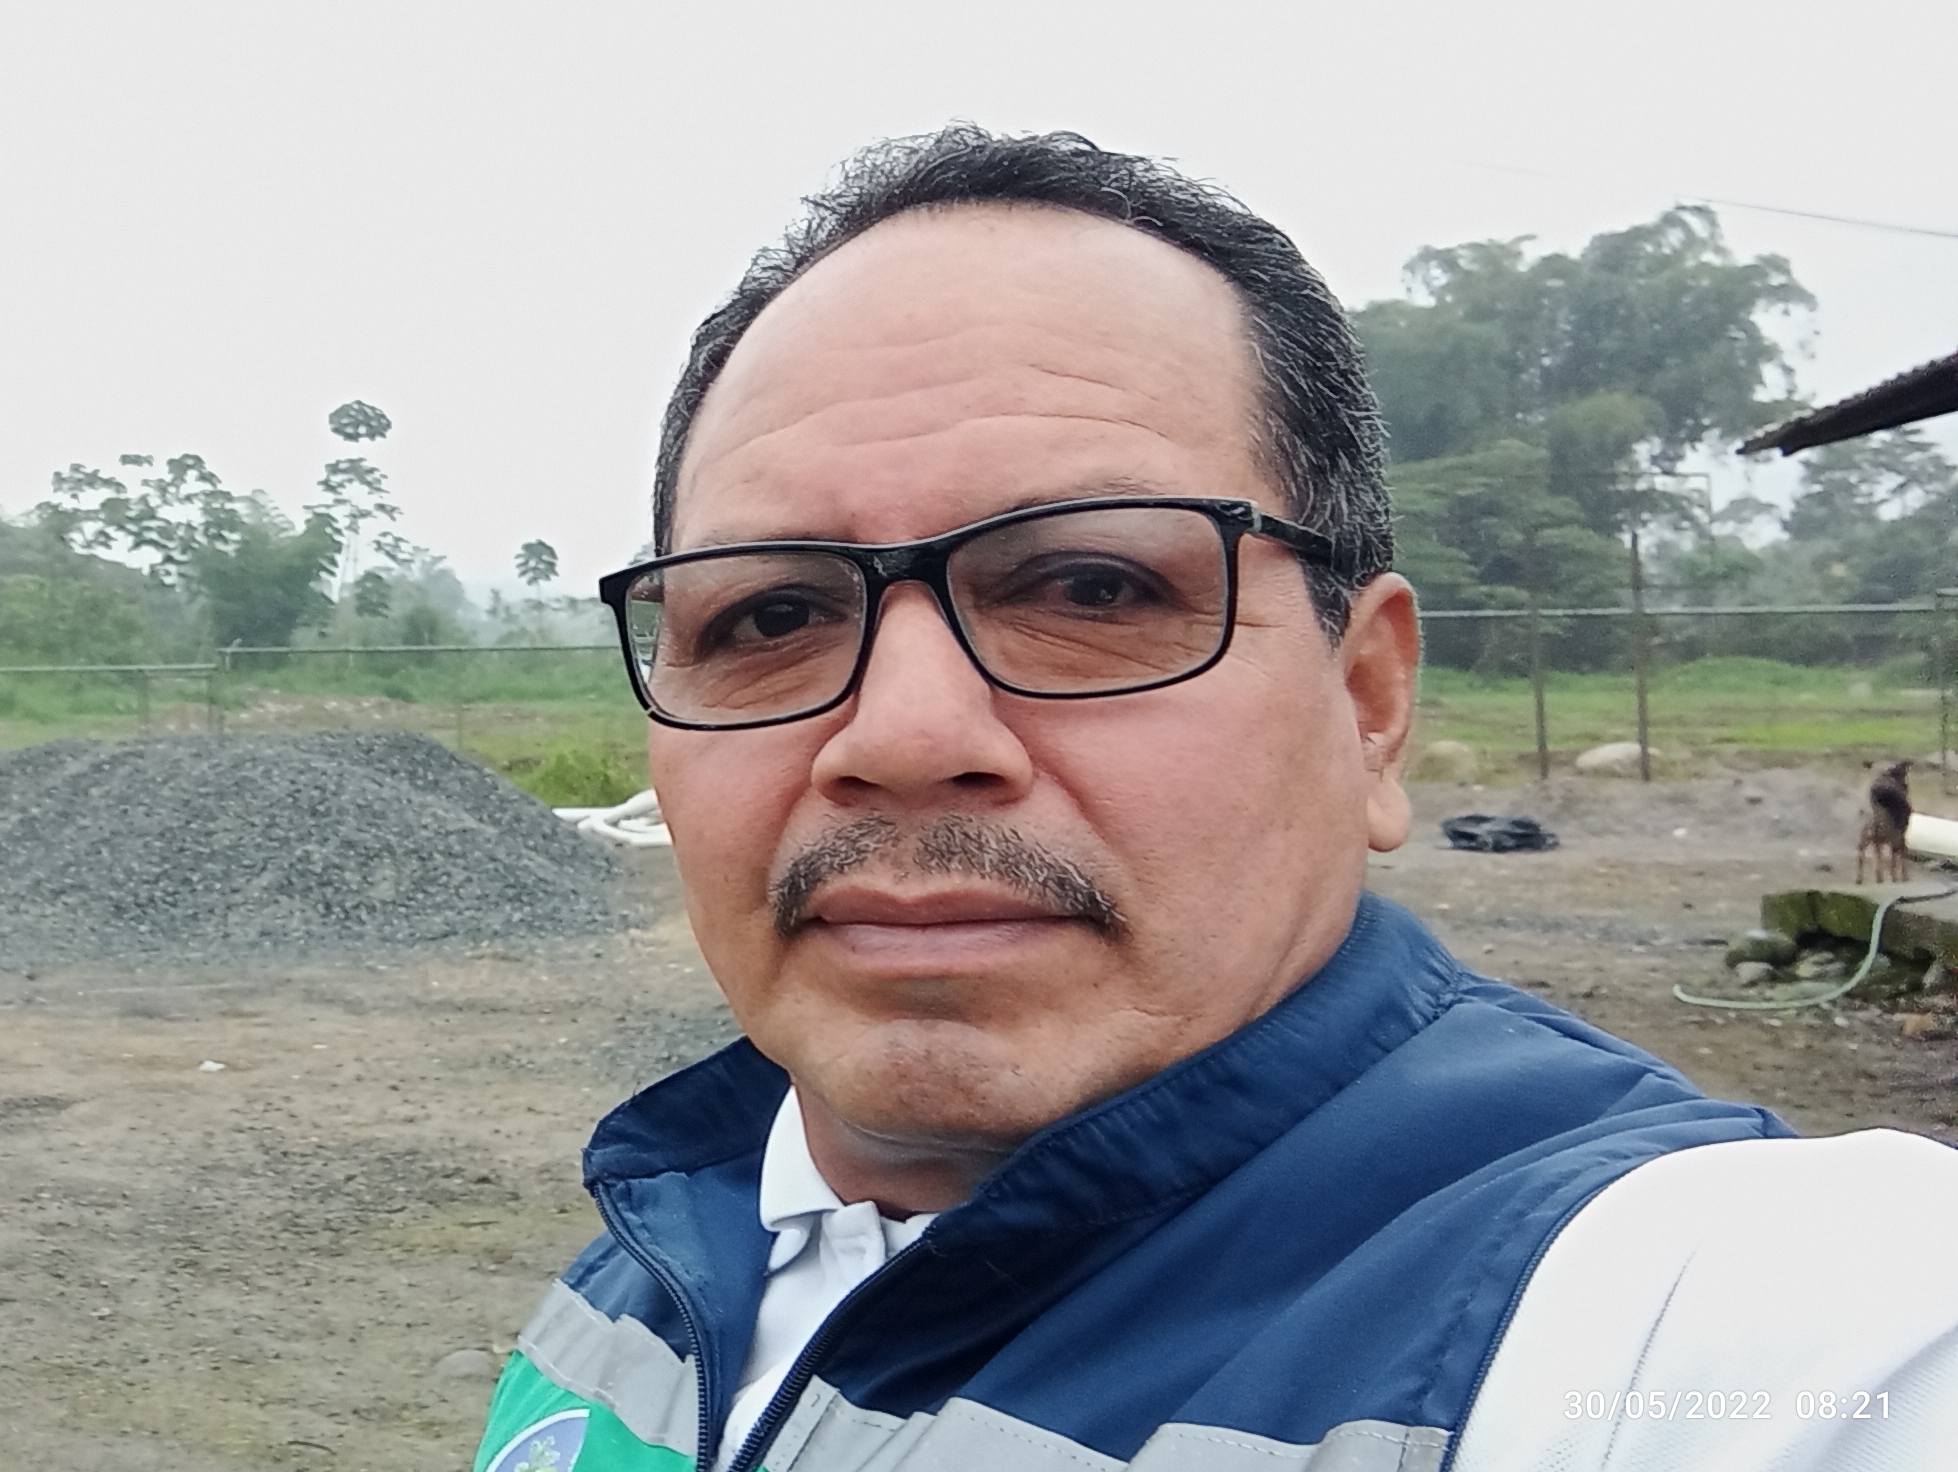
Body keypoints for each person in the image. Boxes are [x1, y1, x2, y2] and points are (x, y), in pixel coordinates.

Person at [474, 125, 1958, 1472]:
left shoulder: (1708, 1314)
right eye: (769, 615)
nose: (903, 735)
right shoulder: (664, 1245)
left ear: (1367, 703)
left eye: (1092, 586)